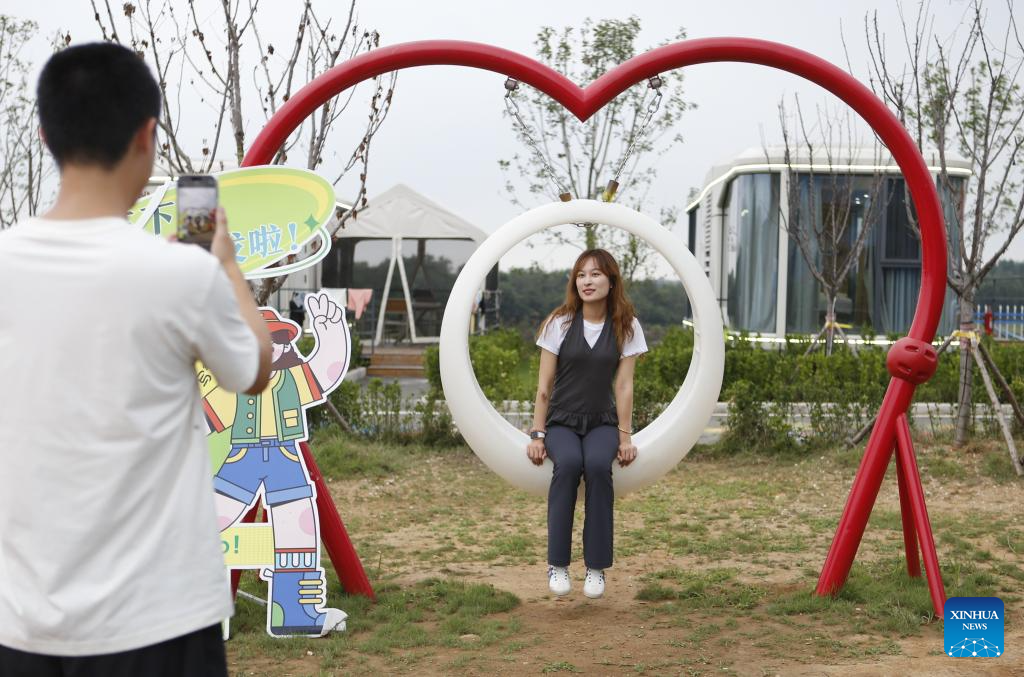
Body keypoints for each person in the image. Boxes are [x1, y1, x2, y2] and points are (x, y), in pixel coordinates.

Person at [0, 43, 271, 676]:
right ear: (147, 135)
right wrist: (226, 267)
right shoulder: (180, 274)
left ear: (45, 136)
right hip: (158, 622)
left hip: (20, 620)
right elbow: (253, 370)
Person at [527, 249, 648, 599]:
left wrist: (625, 438)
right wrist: (538, 433)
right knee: (568, 465)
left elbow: (623, 386)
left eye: (595, 274)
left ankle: (596, 567)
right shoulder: (559, 323)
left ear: (611, 281)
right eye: (581, 275)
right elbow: (544, 386)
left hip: (601, 422)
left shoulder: (627, 326)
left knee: (597, 466)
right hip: (562, 421)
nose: (587, 281)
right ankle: (557, 564)